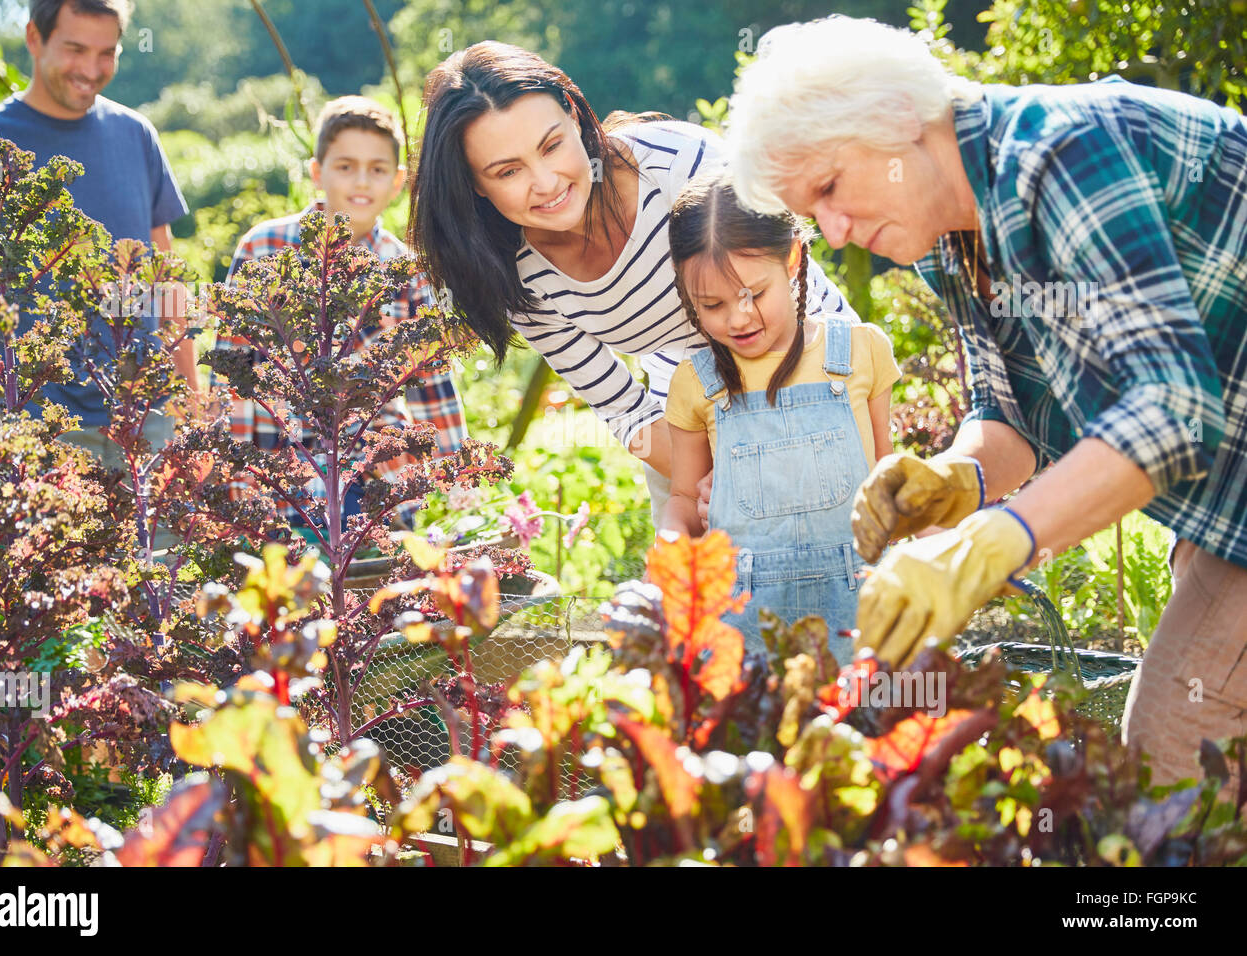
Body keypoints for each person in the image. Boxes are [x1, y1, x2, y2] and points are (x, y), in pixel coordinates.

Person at [726, 16, 1247, 791]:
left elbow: (1169, 407)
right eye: (812, 211)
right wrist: (958, 479)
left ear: (900, 120)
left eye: (830, 188)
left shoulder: (1063, 154)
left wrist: (984, 546)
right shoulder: (954, 229)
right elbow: (1015, 414)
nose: (832, 233)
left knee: (1178, 748)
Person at [407, 41, 857, 526]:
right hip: (687, 413)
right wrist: (720, 480)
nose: (547, 182)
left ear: (574, 115)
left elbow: (790, 293)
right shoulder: (515, 274)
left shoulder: (679, 165)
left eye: (552, 145)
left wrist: (782, 450)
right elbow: (625, 409)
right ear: (475, 184)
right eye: (508, 171)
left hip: (811, 361)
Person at [660, 169, 899, 660]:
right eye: (713, 305)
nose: (739, 317)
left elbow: (885, 475)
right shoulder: (696, 382)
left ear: (792, 258)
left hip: (861, 613)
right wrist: (668, 547)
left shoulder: (860, 352)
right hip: (741, 629)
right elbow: (685, 499)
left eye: (754, 294)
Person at [209, 96, 467, 538]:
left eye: (377, 168)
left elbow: (431, 386)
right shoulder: (264, 248)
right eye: (345, 166)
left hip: (370, 476)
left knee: (369, 594)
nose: (361, 182)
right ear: (317, 172)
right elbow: (233, 367)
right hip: (279, 472)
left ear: (399, 181)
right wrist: (232, 474)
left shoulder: (406, 270)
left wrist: (455, 483)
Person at [0, 0, 194, 475]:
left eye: (106, 52)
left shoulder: (137, 136)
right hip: (32, 429)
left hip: (145, 422)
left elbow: (167, 281)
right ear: (34, 38)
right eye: (75, 50)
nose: (91, 70)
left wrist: (189, 408)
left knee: (165, 552)